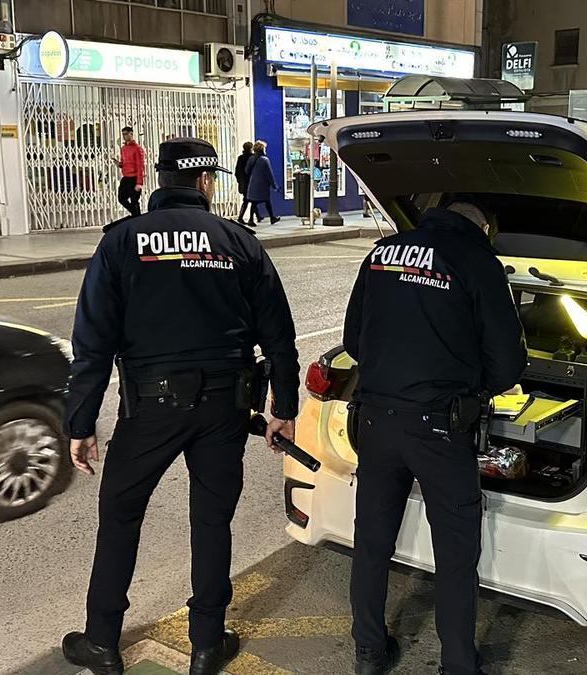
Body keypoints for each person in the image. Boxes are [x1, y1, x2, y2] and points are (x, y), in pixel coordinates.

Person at [61, 137, 300, 675]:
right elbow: (280, 335)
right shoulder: (239, 242)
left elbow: (92, 343)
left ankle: (102, 641)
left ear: (159, 180)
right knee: (212, 521)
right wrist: (284, 406)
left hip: (149, 409)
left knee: (120, 515)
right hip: (225, 409)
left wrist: (81, 421)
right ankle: (207, 644)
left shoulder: (122, 242)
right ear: (207, 182)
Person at [342, 200, 527, 675]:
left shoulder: (382, 253)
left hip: (376, 421)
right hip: (440, 428)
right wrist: (474, 382)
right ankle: (459, 664)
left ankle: (368, 653)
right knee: (456, 549)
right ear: (482, 227)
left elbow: (354, 340)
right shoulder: (477, 262)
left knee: (372, 542)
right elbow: (507, 363)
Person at [244, 140, 280, 225]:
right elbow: (269, 174)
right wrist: (274, 186)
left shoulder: (251, 158)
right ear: (262, 149)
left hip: (253, 184)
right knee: (267, 202)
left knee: (253, 203)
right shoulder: (265, 160)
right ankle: (272, 218)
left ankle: (251, 219)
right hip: (263, 186)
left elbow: (246, 170)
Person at [116, 126, 145, 217]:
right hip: (126, 178)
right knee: (121, 198)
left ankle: (137, 217)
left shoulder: (137, 148)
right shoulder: (123, 148)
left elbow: (140, 166)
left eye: (126, 134)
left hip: (134, 178)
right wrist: (119, 164)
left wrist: (139, 183)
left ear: (131, 134)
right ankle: (136, 215)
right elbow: (124, 163)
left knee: (134, 200)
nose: (124, 136)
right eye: (123, 134)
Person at [234, 141, 254, 224]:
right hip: (251, 182)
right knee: (248, 200)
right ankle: (241, 217)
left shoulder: (240, 158)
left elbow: (237, 171)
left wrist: (239, 181)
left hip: (243, 183)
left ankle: (256, 217)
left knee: (250, 199)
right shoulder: (252, 158)